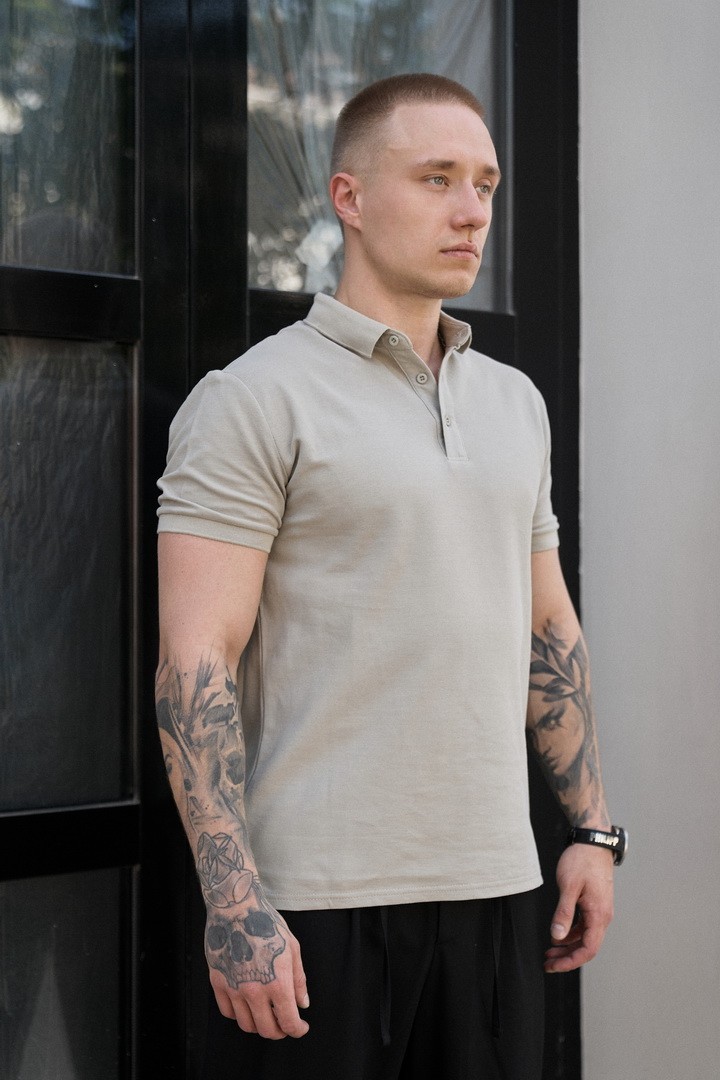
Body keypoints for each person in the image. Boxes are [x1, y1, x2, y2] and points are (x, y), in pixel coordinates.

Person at [156, 73, 623, 1080]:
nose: (473, 211)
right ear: (350, 197)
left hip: (498, 889)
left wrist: (592, 829)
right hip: (315, 909)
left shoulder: (516, 403)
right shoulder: (252, 400)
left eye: (486, 184)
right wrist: (234, 903)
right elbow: (196, 659)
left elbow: (549, 629)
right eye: (437, 178)